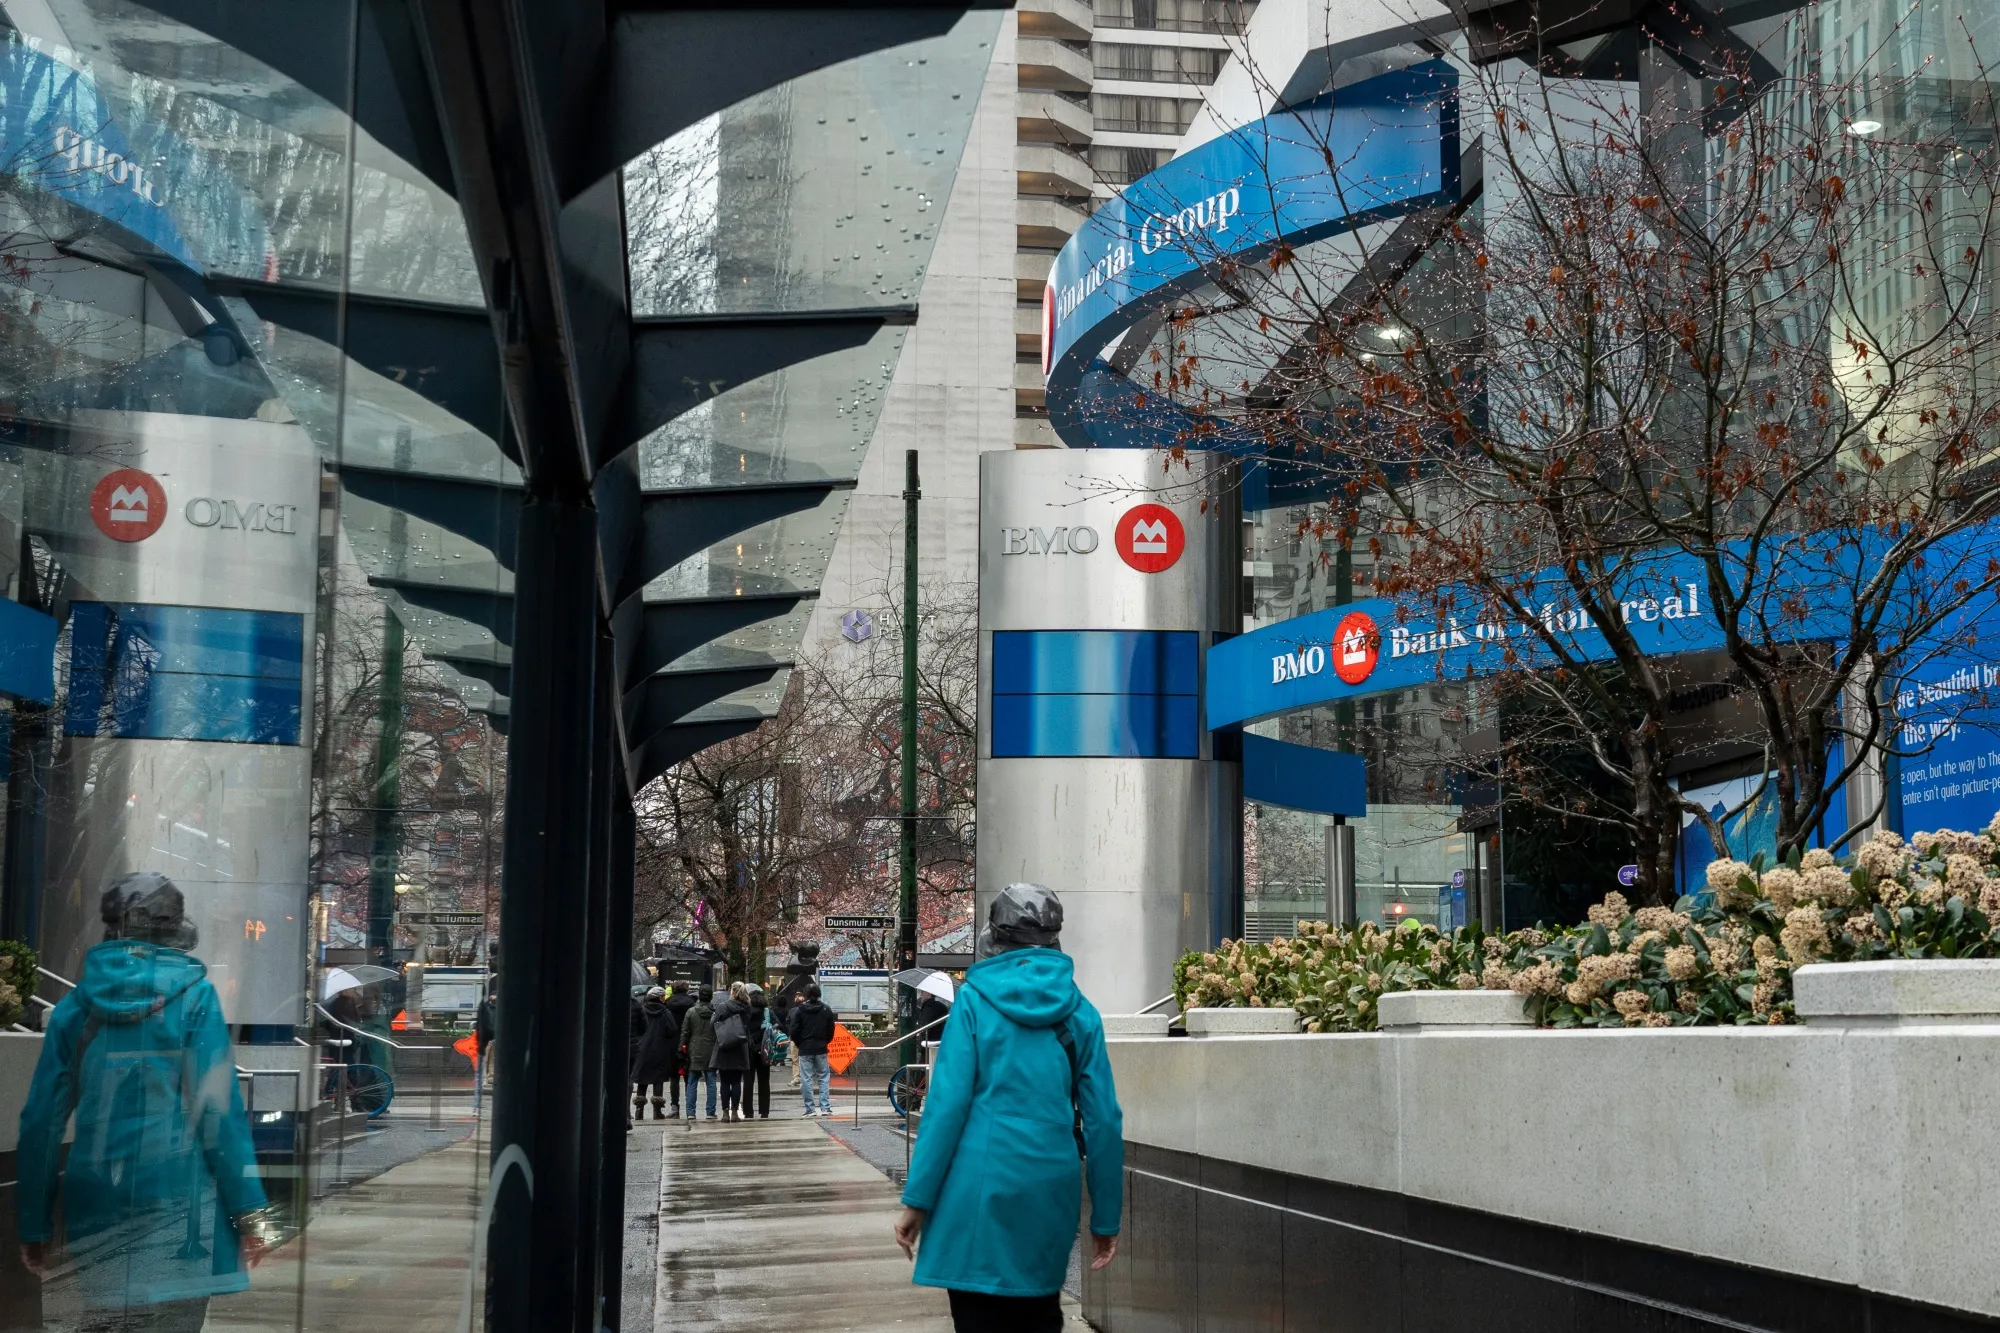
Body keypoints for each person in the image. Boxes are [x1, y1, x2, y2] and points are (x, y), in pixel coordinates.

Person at [16, 873, 281, 1332]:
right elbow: (217, 1111)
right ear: (175, 928)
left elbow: (42, 1121)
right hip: (178, 1196)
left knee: (102, 1319)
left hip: (95, 1191)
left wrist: (34, 1224)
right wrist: (251, 1213)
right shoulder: (195, 998)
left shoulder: (75, 1008)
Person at [893, 884, 1123, 1333]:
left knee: (977, 1316)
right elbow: (1103, 1123)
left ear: (993, 936)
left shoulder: (975, 1003)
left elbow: (946, 1107)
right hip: (1048, 1186)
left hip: (975, 1185)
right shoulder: (1082, 1014)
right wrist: (1106, 1217)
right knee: (1039, 1312)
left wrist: (917, 1201)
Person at [786, 981, 837, 1118]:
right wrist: (825, 1041)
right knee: (823, 1078)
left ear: (806, 995)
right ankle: (825, 1107)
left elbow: (794, 1030)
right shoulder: (826, 1009)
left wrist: (800, 1043)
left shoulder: (800, 1010)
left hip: (805, 1049)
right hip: (821, 1048)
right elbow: (831, 1030)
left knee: (806, 1079)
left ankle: (810, 1109)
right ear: (819, 994)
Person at [707, 981, 754, 1122]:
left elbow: (712, 1024)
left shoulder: (723, 1006)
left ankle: (725, 1112)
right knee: (736, 1081)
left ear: (732, 992)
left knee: (725, 1081)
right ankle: (735, 1111)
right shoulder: (747, 1007)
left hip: (724, 1047)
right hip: (740, 1046)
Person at [631, 985, 679, 1121]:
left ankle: (638, 1111)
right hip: (660, 1050)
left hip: (643, 1048)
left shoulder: (642, 1009)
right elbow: (672, 1030)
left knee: (642, 1080)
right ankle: (657, 1112)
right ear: (659, 998)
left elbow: (638, 1027)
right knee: (658, 1080)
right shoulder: (665, 1012)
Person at [679, 985, 719, 1120]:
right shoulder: (716, 1013)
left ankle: (690, 1112)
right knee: (711, 1081)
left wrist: (682, 1049)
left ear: (699, 996)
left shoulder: (691, 1012)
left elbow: (685, 1033)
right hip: (711, 1050)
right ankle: (710, 1112)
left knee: (692, 1081)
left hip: (694, 1049)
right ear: (711, 996)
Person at [744, 986, 774, 1119]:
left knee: (748, 1081)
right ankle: (764, 1111)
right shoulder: (767, 1012)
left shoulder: (745, 1012)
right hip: (764, 1050)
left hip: (748, 1049)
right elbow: (781, 1026)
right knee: (764, 1081)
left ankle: (748, 1111)